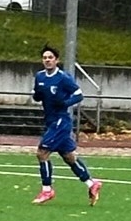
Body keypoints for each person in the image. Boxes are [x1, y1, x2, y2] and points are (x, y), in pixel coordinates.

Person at [32, 47, 101, 206]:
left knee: (42, 153)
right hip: (50, 121)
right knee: (69, 157)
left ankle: (47, 190)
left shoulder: (63, 78)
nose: (47, 60)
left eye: (50, 57)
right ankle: (92, 184)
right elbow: (37, 95)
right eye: (45, 57)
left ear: (56, 60)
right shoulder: (40, 76)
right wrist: (37, 95)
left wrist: (65, 103)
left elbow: (78, 94)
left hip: (61, 121)